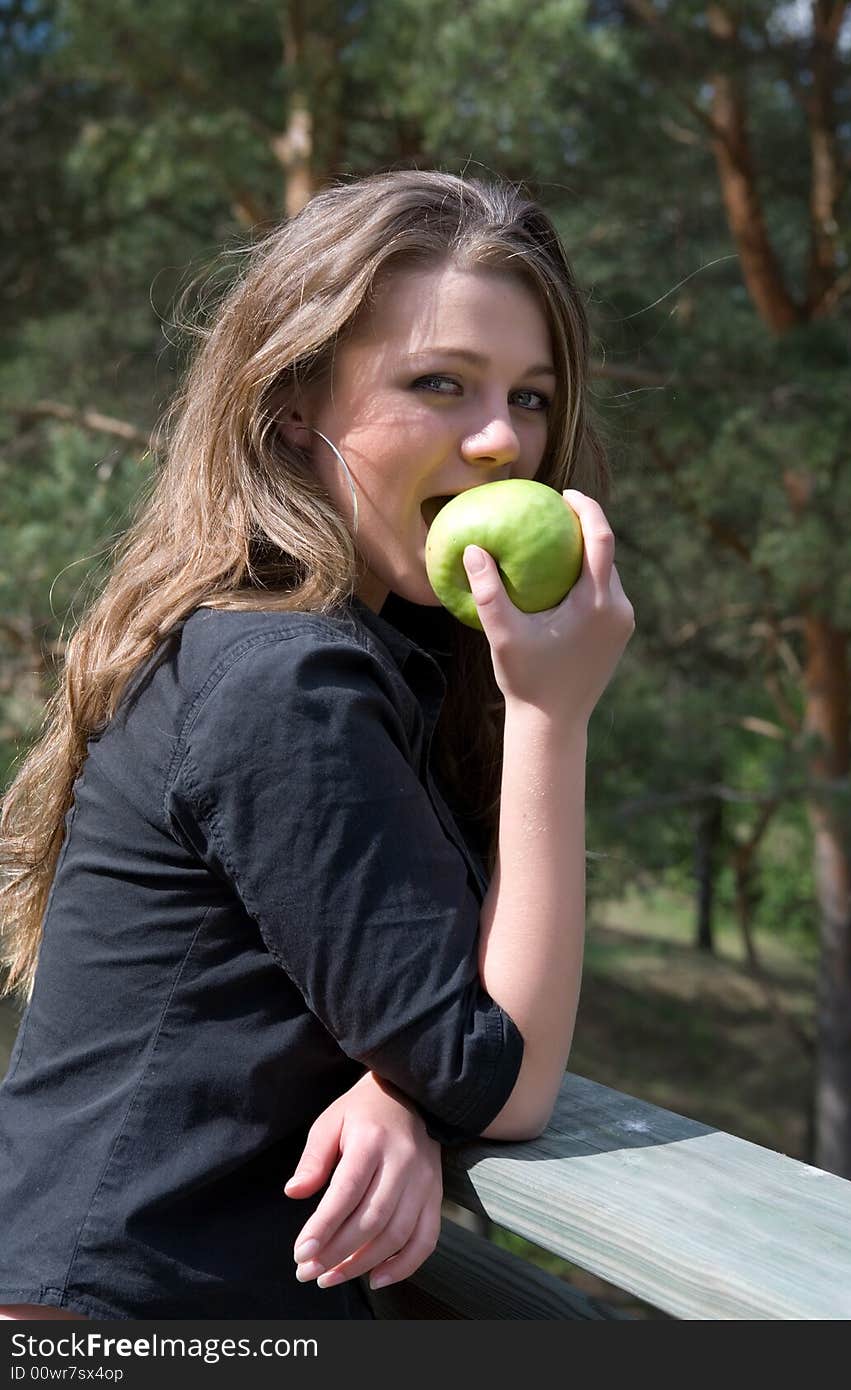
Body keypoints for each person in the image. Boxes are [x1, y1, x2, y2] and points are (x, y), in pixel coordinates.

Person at [0, 168, 635, 1320]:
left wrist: (398, 1086)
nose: (502, 440)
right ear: (296, 405)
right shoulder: (280, 676)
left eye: (532, 398)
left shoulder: (380, 652)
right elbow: (502, 1079)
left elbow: (444, 1016)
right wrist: (554, 715)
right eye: (440, 382)